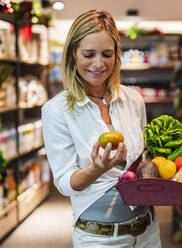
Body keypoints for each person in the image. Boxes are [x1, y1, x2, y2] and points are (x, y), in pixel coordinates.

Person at [42, 10, 161, 248]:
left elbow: (144, 158)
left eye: (107, 54)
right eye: (88, 54)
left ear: (117, 55)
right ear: (73, 55)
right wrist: (96, 169)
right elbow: (65, 183)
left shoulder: (133, 99)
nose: (99, 64)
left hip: (148, 231)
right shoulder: (57, 110)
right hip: (99, 239)